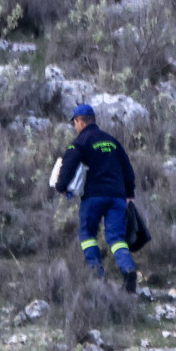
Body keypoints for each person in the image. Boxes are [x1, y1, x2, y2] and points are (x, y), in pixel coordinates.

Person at [53, 104, 139, 293]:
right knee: (116, 237)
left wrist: (61, 187)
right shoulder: (112, 141)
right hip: (117, 197)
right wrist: (129, 194)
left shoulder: (80, 142)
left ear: (80, 121)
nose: (75, 127)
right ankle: (128, 269)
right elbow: (128, 169)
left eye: (75, 123)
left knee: (87, 236)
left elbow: (68, 165)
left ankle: (97, 275)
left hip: (94, 197)